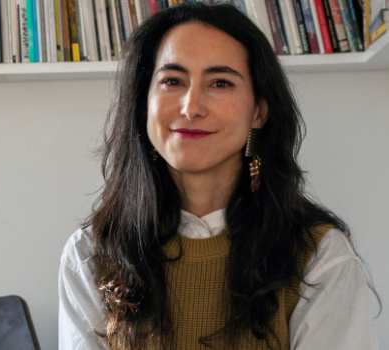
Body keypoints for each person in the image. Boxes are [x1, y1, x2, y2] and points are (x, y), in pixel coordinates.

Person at [58, 3, 380, 350]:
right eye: (172, 81)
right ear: (143, 102)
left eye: (221, 82)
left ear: (259, 111)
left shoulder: (321, 257)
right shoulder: (91, 254)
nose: (191, 105)